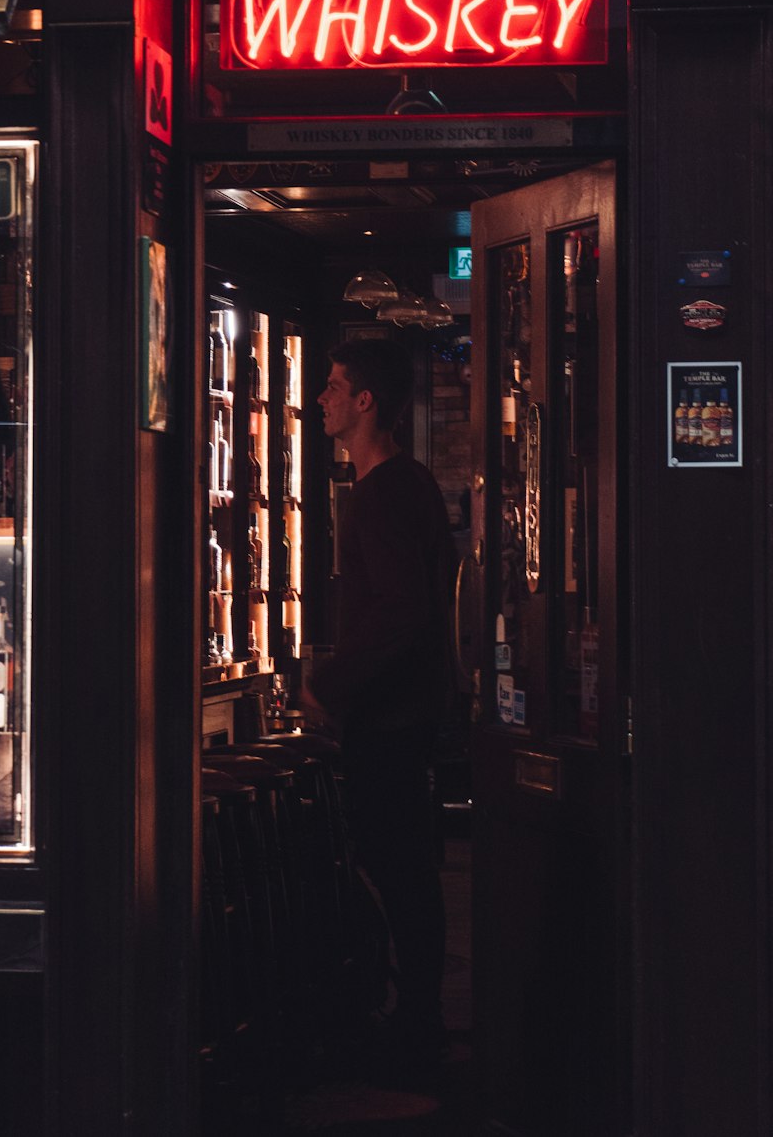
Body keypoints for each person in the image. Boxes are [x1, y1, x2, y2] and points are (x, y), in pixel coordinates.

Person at [302, 338, 457, 1083]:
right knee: (406, 874)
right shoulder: (406, 485)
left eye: (334, 387)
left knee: (397, 873)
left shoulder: (388, 491)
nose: (322, 398)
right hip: (406, 715)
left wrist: (328, 686)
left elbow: (402, 611)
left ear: (365, 402)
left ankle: (414, 1030)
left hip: (390, 723)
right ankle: (416, 1019)